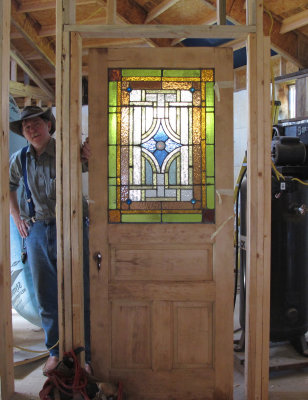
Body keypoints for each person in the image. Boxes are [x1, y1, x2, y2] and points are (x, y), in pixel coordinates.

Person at [9, 106, 92, 375]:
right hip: (35, 231)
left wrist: (89, 154)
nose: (31, 130)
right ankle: (55, 352)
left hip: (71, 227)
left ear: (48, 125)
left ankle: (86, 355)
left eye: (35, 124)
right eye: (26, 128)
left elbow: (92, 165)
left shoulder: (68, 150)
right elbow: (8, 185)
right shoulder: (19, 158)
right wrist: (17, 217)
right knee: (46, 295)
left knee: (81, 291)